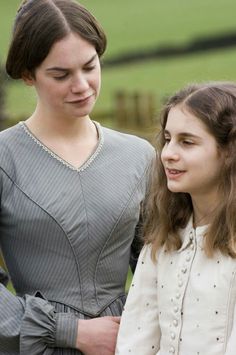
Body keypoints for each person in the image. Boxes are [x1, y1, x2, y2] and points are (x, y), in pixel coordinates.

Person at [0, 0, 154, 354]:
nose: (82, 85)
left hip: (129, 344)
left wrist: (137, 324)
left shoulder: (139, 156)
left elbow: (162, 264)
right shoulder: (4, 159)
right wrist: (72, 333)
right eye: (61, 75)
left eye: (90, 67)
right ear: (28, 74)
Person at [115, 82, 236, 355]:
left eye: (187, 142)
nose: (168, 154)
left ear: (229, 150)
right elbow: (136, 339)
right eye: (168, 139)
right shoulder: (163, 240)